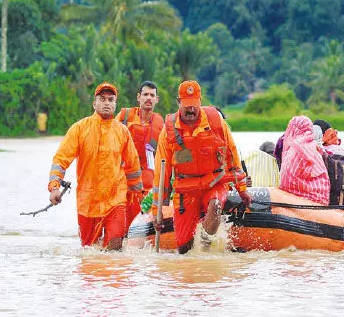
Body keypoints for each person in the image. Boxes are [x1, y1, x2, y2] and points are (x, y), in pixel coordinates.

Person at [153, 80, 251, 254]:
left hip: (214, 183)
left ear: (200, 101)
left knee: (215, 206)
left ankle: (203, 252)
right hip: (186, 191)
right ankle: (193, 257)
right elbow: (161, 174)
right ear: (178, 102)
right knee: (183, 248)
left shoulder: (216, 122)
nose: (191, 110)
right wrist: (157, 211)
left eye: (194, 106)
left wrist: (242, 190)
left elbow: (233, 156)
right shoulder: (168, 132)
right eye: (186, 106)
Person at [47, 82, 144, 250]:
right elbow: (61, 160)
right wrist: (54, 187)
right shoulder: (79, 129)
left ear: (115, 104)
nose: (106, 103)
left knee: (115, 246)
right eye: (102, 99)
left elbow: (133, 167)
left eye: (111, 99)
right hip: (88, 202)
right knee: (89, 251)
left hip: (116, 200)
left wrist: (139, 199)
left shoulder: (122, 132)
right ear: (94, 103)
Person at [116, 80, 164, 225]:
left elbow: (167, 155)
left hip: (147, 185)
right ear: (138, 97)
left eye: (152, 95)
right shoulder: (124, 116)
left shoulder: (161, 124)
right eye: (145, 94)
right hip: (122, 182)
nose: (148, 98)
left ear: (157, 99)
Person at [279, 116, 331, 205]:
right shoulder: (314, 147)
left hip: (299, 200)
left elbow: (287, 181)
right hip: (322, 200)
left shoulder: (294, 148)